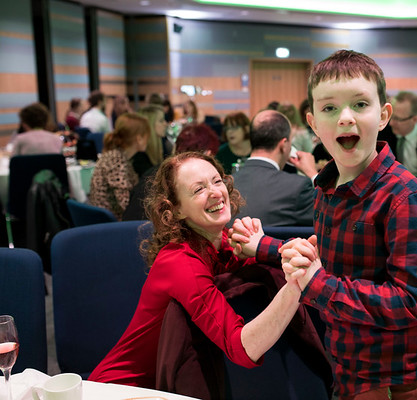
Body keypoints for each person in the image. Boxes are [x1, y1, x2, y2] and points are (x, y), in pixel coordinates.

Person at [233, 50, 417, 399]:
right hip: (349, 361)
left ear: (384, 115)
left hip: (398, 375)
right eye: (330, 108)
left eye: (360, 104)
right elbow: (329, 258)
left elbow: (412, 302)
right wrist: (264, 246)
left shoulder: (405, 198)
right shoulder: (327, 186)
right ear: (314, 124)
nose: (345, 118)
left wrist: (317, 283)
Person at [89, 152, 302, 388]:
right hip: (126, 389)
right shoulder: (180, 261)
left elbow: (291, 260)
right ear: (176, 210)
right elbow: (242, 348)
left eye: (217, 181)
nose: (215, 193)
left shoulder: (222, 242)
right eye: (198, 189)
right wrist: (294, 288)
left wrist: (262, 245)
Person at [122, 122, 221, 221]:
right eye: (199, 189)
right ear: (208, 154)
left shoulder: (157, 172)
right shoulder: (181, 180)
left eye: (217, 182)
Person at [233, 109, 316, 227]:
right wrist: (313, 174)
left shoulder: (226, 184)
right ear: (284, 145)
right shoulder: (297, 187)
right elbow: (330, 217)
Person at [88, 113, 150, 220]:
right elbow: (126, 203)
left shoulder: (118, 155)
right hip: (114, 225)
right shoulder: (116, 160)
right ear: (139, 138)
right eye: (147, 136)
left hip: (111, 221)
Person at [131, 105, 171, 177]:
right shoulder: (140, 157)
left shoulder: (161, 145)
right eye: (161, 121)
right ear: (150, 124)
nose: (165, 124)